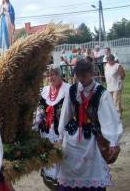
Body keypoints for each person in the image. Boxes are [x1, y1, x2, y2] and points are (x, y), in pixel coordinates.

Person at [57, 59, 123, 191]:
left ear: (91, 74)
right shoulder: (72, 90)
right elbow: (66, 114)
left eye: (84, 76)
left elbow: (109, 119)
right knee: (69, 171)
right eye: (78, 75)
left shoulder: (101, 93)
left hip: (93, 139)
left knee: (92, 171)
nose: (81, 79)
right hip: (73, 138)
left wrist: (113, 141)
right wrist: (61, 135)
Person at [33, 66, 70, 191]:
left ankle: (63, 185)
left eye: (53, 74)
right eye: (49, 75)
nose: (51, 77)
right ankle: (52, 185)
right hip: (46, 133)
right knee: (49, 161)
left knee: (62, 161)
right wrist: (36, 127)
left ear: (60, 76)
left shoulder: (68, 90)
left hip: (63, 134)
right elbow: (39, 112)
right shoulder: (44, 91)